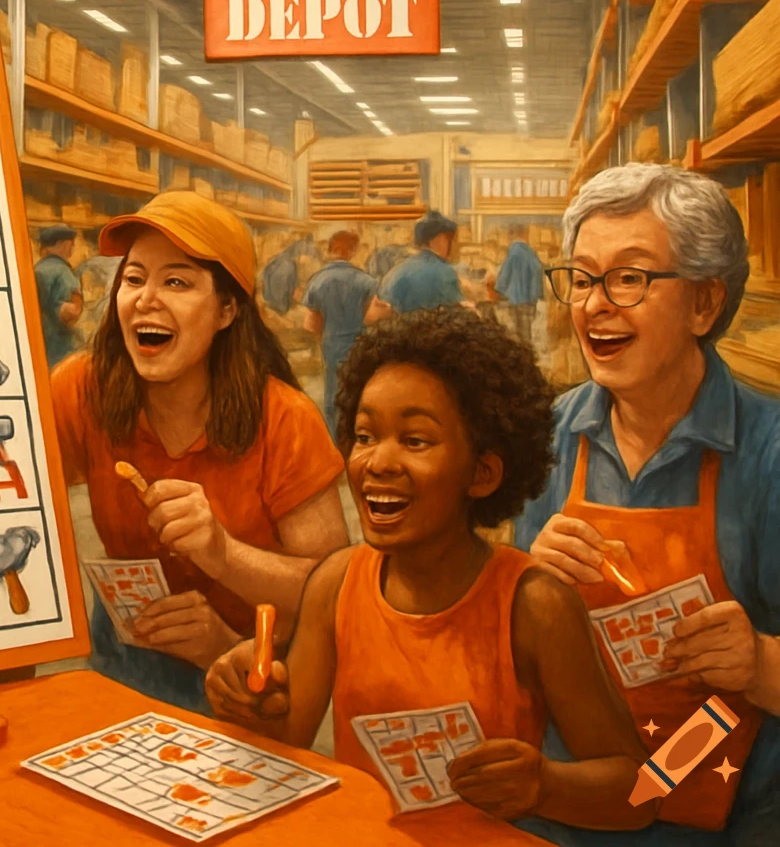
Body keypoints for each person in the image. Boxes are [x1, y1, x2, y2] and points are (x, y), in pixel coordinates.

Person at [207, 308, 654, 835]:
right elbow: (288, 736)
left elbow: (640, 791)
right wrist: (243, 697)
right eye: (365, 435)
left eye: (415, 441)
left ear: (483, 472)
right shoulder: (338, 583)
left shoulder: (534, 604)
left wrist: (547, 787)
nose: (377, 462)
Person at [516, 165, 780, 845]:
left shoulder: (770, 453)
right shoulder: (546, 438)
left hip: (735, 822)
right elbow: (495, 653)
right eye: (581, 277)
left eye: (630, 278)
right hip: (572, 809)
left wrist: (760, 661)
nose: (594, 305)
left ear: (704, 303)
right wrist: (521, 587)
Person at [51, 192, 348, 715]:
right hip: (122, 650)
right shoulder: (82, 388)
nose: (145, 298)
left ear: (227, 309)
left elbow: (333, 591)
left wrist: (223, 559)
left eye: (177, 282)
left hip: (244, 668)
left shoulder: (285, 419)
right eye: (135, 277)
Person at [303, 229, 389, 430]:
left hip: (331, 346)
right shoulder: (365, 281)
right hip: (359, 345)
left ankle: (335, 445)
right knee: (359, 395)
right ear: (351, 251)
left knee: (333, 397)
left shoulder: (317, 281)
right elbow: (372, 318)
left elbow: (311, 325)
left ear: (331, 249)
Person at [382, 210, 464, 314]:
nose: (456, 246)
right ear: (440, 239)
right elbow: (459, 314)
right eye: (452, 240)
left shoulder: (397, 271)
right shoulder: (444, 272)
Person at [34, 224, 83, 368]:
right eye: (70, 245)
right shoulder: (63, 272)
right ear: (61, 244)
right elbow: (69, 312)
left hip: (39, 343)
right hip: (59, 348)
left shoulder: (37, 269)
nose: (72, 249)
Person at [496, 230, 545, 347]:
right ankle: (527, 354)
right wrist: (537, 294)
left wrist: (500, 290)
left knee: (516, 332)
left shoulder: (513, 253)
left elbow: (505, 274)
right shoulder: (532, 254)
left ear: (512, 236)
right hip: (530, 301)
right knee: (527, 332)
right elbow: (538, 272)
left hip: (515, 299)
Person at [259, 235, 313, 315]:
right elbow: (282, 286)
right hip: (277, 302)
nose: (307, 260)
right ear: (300, 253)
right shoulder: (287, 265)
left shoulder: (287, 260)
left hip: (273, 299)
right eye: (307, 256)